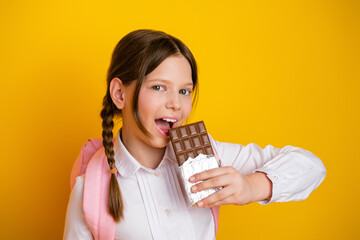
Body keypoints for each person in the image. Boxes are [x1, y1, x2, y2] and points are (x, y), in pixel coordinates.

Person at [63, 29, 326, 240]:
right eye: (158, 87)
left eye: (184, 91)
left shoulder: (208, 157)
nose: (176, 104)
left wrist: (251, 187)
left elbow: (311, 166)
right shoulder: (91, 187)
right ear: (120, 93)